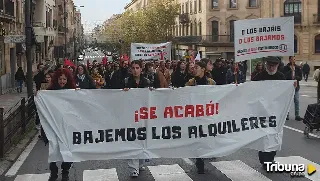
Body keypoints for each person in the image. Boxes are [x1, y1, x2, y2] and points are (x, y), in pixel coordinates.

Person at [252, 56, 292, 170]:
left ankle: (271, 157)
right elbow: (251, 91)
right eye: (269, 65)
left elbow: (286, 92)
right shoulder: (259, 77)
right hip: (263, 112)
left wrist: (292, 86)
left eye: (274, 65)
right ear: (266, 65)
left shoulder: (281, 76)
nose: (271, 67)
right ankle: (265, 159)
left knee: (275, 135)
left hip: (276, 112)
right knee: (264, 136)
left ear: (277, 66)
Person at [44, 68, 76, 181]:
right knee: (53, 149)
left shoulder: (73, 92)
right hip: (53, 126)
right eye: (60, 79)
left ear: (68, 80)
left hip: (68, 126)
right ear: (56, 79)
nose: (62, 81)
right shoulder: (49, 92)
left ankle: (65, 170)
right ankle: (53, 171)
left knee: (69, 150)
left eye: (64, 79)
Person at [185, 61, 215, 174]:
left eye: (196, 67)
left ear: (203, 69)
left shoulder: (211, 82)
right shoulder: (190, 82)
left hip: (207, 115)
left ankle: (203, 155)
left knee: (206, 137)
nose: (194, 69)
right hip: (194, 115)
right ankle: (199, 160)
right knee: (197, 137)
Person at [123, 60, 151, 178]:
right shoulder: (126, 81)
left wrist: (152, 92)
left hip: (143, 115)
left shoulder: (147, 81)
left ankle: (140, 163)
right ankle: (133, 167)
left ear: (141, 69)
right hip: (130, 115)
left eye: (137, 68)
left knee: (142, 139)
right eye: (133, 68)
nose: (135, 70)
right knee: (132, 139)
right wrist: (123, 92)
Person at [282, 56, 302, 121]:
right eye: (292, 59)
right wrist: (291, 71)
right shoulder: (285, 68)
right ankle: (286, 115)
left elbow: (300, 77)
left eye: (294, 59)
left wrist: (296, 77)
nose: (294, 60)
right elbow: (284, 76)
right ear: (289, 60)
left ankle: (297, 115)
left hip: (296, 86)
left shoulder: (298, 68)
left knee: (296, 100)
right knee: (287, 101)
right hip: (288, 87)